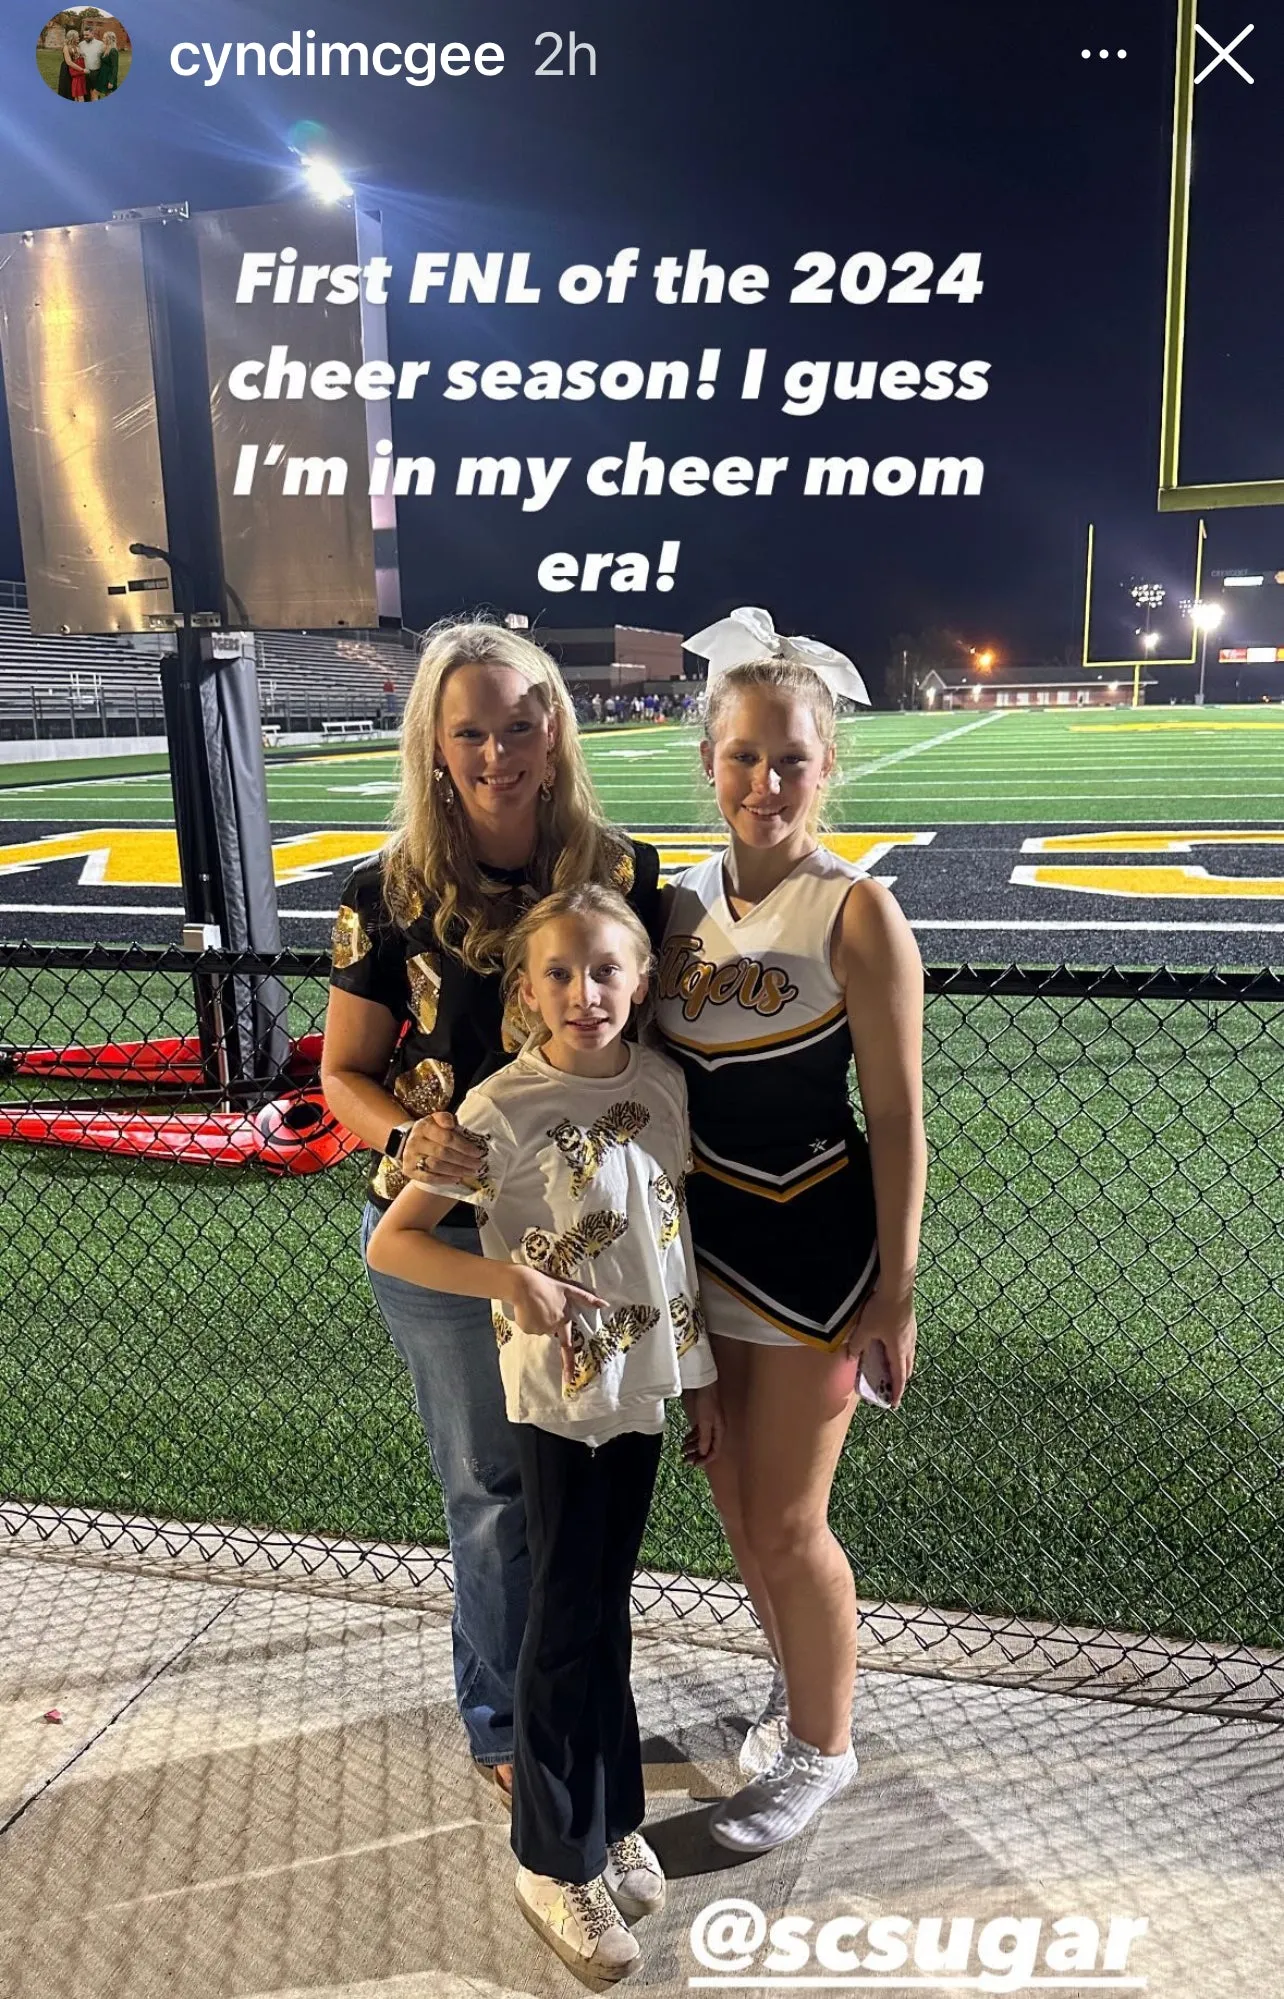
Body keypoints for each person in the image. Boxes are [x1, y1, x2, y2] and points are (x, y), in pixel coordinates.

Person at [321, 620, 662, 1807]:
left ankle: (569, 1701)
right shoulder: (388, 891)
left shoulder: (622, 872)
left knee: (585, 1490)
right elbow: (341, 1075)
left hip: (587, 1236)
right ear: (434, 743)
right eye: (470, 729)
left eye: (521, 723)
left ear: (555, 726)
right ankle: (506, 1721)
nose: (498, 750)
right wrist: (406, 1135)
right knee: (493, 1492)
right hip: (444, 1240)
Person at [368, 884, 721, 1983]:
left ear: (642, 982)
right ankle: (550, 1853)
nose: (584, 993)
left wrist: (699, 1381)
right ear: (526, 990)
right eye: (559, 974)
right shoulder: (496, 1108)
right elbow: (396, 1244)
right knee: (564, 1620)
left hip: (643, 1394)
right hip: (559, 1401)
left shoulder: (661, 1088)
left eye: (606, 970)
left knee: (603, 1606)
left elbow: (672, 1243)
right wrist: (504, 1278)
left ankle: (611, 1810)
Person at [656, 608, 927, 1855]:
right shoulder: (670, 909)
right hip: (702, 1256)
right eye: (744, 757)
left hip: (818, 1264)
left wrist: (897, 1290)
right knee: (730, 1500)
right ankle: (793, 1685)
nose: (766, 783)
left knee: (786, 1521)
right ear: (709, 761)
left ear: (829, 767)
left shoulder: (857, 912)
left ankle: (823, 1749)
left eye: (792, 760)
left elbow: (898, 1117)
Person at [78, 22, 106, 97]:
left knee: (95, 94)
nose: (85, 37)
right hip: (84, 73)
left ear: (93, 34)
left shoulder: (100, 44)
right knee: (85, 94)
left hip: (96, 73)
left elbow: (105, 59)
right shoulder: (81, 44)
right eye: (84, 35)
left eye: (87, 35)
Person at [62, 30, 86, 100]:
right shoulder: (66, 47)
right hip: (67, 69)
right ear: (72, 37)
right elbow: (69, 62)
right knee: (68, 89)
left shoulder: (77, 46)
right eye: (77, 36)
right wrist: (82, 69)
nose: (79, 38)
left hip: (76, 70)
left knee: (76, 91)